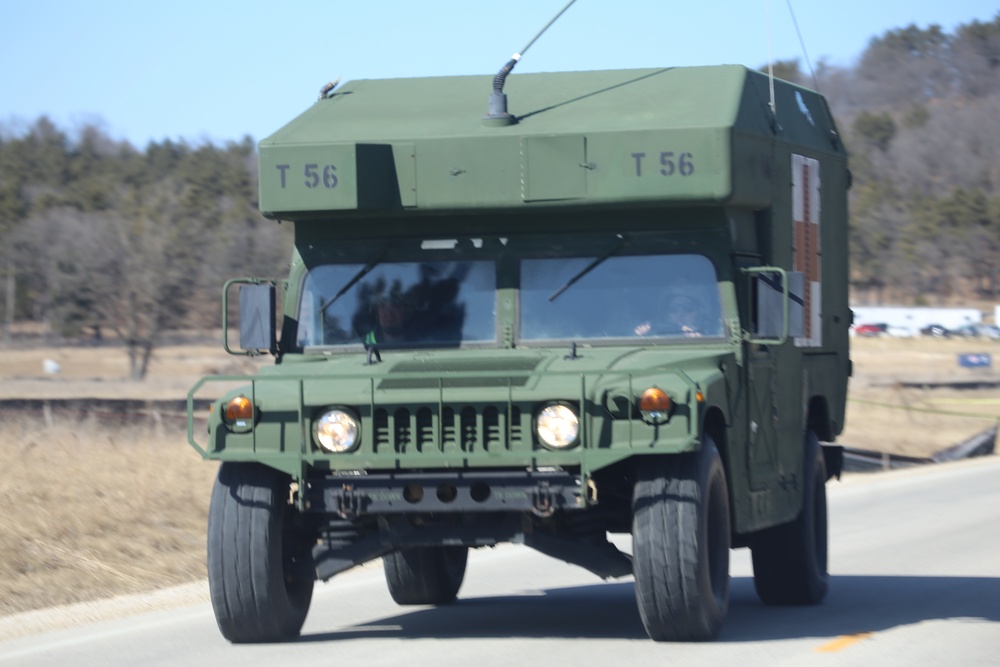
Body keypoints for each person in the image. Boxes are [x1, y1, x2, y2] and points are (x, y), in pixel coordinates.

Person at [634, 290, 709, 337]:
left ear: (698, 313)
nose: (680, 313)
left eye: (688, 307)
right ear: (666, 314)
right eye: (673, 308)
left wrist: (699, 341)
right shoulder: (655, 337)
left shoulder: (714, 335)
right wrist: (639, 336)